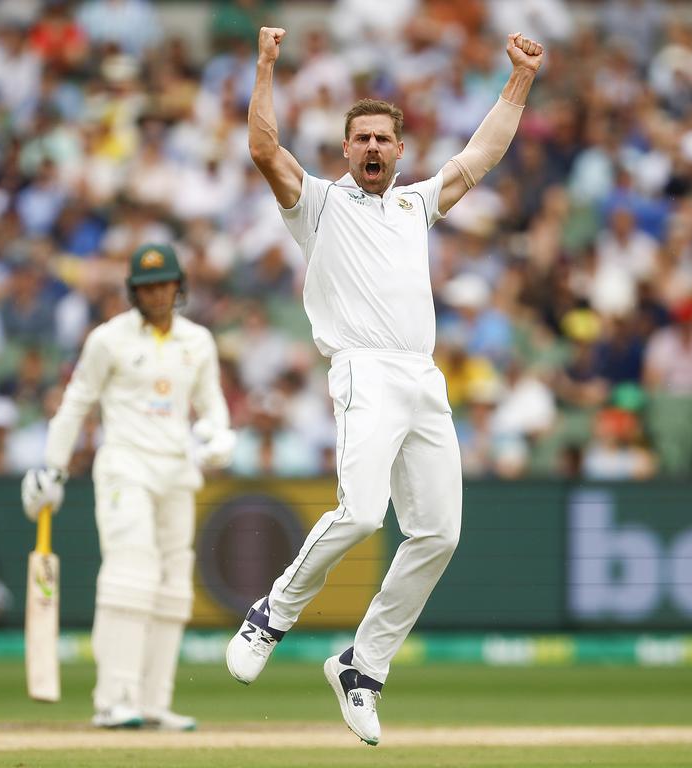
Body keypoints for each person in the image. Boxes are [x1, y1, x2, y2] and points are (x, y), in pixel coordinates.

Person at [225, 27, 543, 746]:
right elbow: (263, 150)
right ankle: (271, 614)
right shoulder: (319, 204)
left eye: (383, 140)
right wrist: (268, 64)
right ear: (346, 150)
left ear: (400, 151)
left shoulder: (415, 205)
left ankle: (362, 668)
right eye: (360, 139)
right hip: (363, 367)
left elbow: (483, 155)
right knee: (364, 513)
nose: (372, 149)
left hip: (423, 377)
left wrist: (520, 78)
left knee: (439, 533)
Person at [20, 243, 235, 731]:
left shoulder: (197, 341)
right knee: (130, 577)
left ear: (178, 287)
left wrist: (220, 438)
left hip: (178, 470)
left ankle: (155, 702)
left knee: (174, 588)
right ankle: (114, 699)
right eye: (146, 286)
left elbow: (211, 403)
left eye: (164, 284)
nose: (157, 294)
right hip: (125, 467)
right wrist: (53, 468)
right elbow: (76, 404)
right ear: (133, 292)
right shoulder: (108, 340)